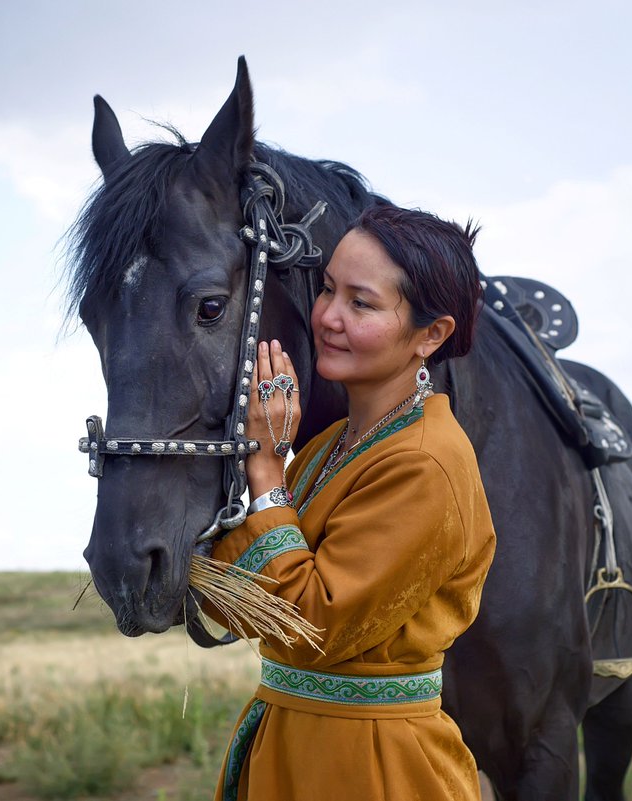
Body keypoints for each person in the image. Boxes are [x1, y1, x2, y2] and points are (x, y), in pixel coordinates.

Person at [205, 204, 497, 801]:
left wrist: (265, 471)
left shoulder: (424, 463)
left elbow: (309, 627)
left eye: (361, 303)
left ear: (431, 335)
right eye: (327, 289)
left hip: (372, 765)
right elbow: (241, 600)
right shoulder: (327, 447)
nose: (328, 317)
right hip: (292, 743)